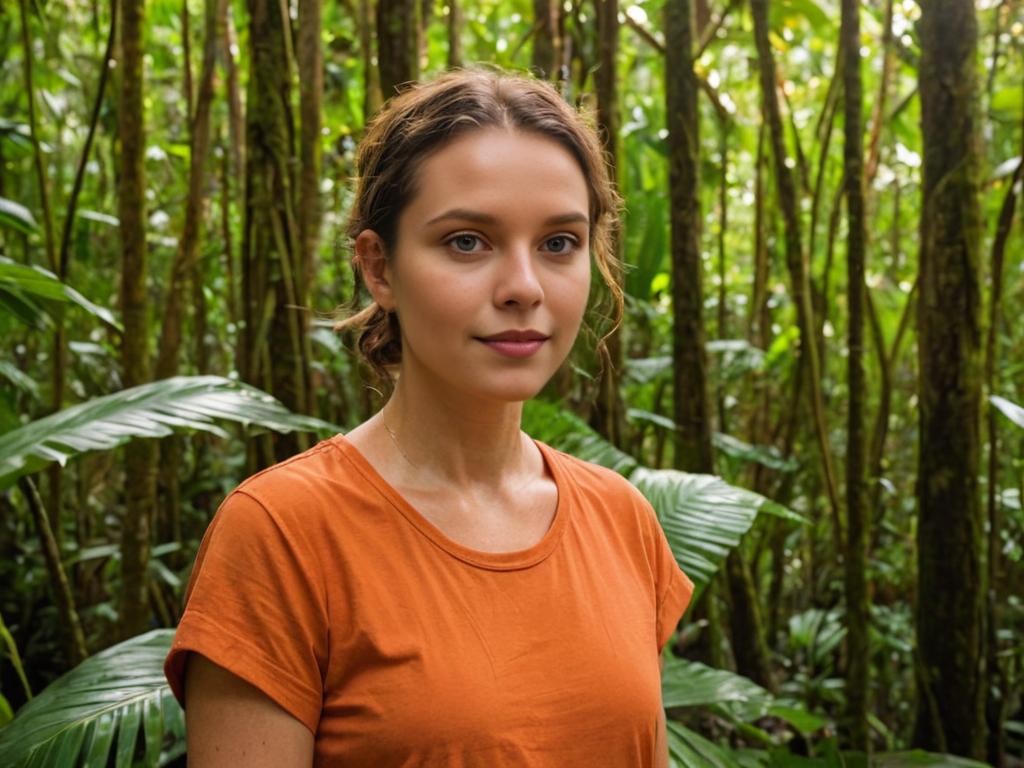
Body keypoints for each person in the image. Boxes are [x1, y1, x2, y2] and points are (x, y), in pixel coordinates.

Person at [164, 68, 693, 767]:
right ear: (379, 268)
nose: (523, 289)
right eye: (467, 242)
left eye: (558, 243)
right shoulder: (283, 532)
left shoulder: (622, 520)